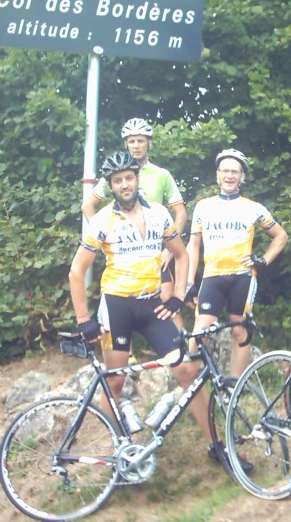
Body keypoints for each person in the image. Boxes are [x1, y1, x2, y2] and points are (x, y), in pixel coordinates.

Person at [69, 151, 214, 447]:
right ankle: (115, 457)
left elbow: (181, 254)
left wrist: (178, 294)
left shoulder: (159, 213)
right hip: (117, 307)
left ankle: (219, 446)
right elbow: (76, 270)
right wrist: (84, 319)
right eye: (118, 180)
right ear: (111, 186)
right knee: (116, 382)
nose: (124, 184)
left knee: (187, 370)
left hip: (152, 306)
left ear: (137, 179)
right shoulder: (101, 219)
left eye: (129, 178)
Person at [186, 148, 289, 377]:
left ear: (242, 176)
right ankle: (190, 385)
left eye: (235, 171)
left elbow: (281, 236)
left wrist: (263, 260)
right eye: (225, 171)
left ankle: (235, 389)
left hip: (242, 277)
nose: (229, 175)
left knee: (240, 332)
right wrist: (188, 282)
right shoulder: (203, 206)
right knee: (200, 330)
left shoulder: (253, 208)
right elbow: (193, 245)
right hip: (212, 277)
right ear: (217, 175)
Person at [82, 117, 187, 330]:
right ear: (126, 144)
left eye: (140, 140)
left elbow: (180, 212)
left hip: (154, 251)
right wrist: (105, 238)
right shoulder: (114, 173)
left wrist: (169, 248)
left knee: (168, 297)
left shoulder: (162, 175)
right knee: (120, 304)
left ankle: (180, 350)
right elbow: (87, 206)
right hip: (124, 253)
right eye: (132, 141)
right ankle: (127, 357)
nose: (136, 146)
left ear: (150, 143)